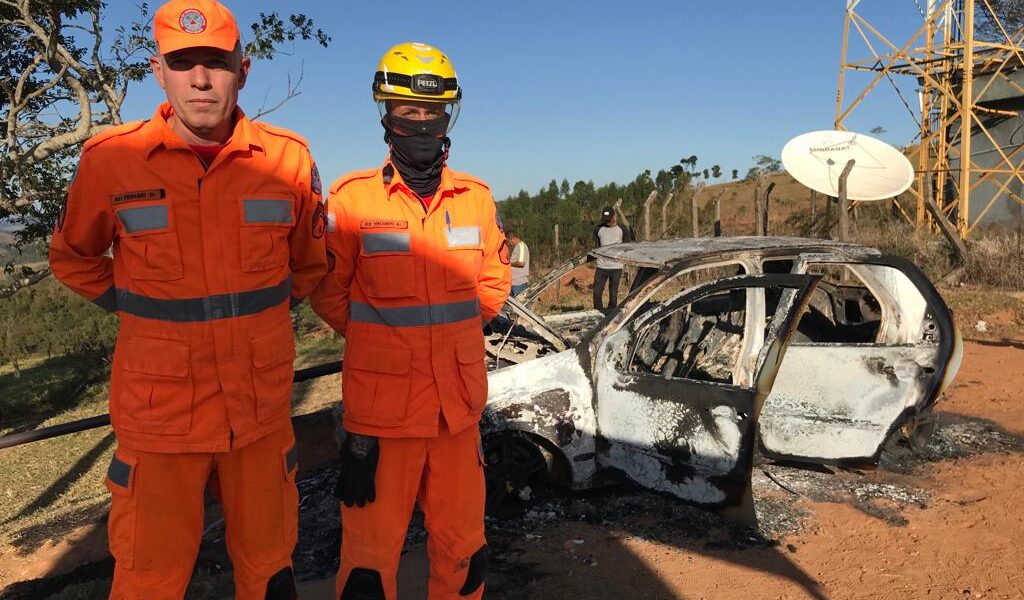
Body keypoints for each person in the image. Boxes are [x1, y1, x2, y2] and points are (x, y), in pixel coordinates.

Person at [48, 1, 327, 597]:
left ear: (243, 69)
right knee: (149, 579)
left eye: (216, 62)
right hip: (161, 419)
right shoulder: (111, 161)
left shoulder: (288, 160)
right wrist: (140, 308)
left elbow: (307, 265)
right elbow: (72, 258)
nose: (200, 79)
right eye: (183, 63)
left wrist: (258, 324)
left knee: (271, 570)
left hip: (260, 412)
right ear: (159, 70)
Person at [310, 42, 510, 600]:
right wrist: (385, 344)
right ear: (387, 115)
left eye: (432, 112)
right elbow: (329, 293)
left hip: (456, 416)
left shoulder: (475, 199)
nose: (421, 124)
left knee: (465, 555)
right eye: (408, 112)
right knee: (369, 571)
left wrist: (448, 339)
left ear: (448, 116)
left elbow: (493, 285)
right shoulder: (351, 202)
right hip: (382, 421)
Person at [592, 206, 631, 312]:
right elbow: (596, 247)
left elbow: (627, 246)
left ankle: (610, 315)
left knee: (613, 294)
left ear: (614, 217)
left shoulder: (622, 229)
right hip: (601, 267)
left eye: (608, 220)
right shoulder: (598, 229)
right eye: (605, 220)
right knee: (596, 293)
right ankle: (598, 313)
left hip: (616, 267)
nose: (607, 222)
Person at [506, 229, 530, 297]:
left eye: (508, 242)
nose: (508, 244)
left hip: (519, 282)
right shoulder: (517, 247)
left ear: (512, 239)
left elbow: (521, 263)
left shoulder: (521, 247)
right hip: (514, 282)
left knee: (519, 303)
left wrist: (509, 264)